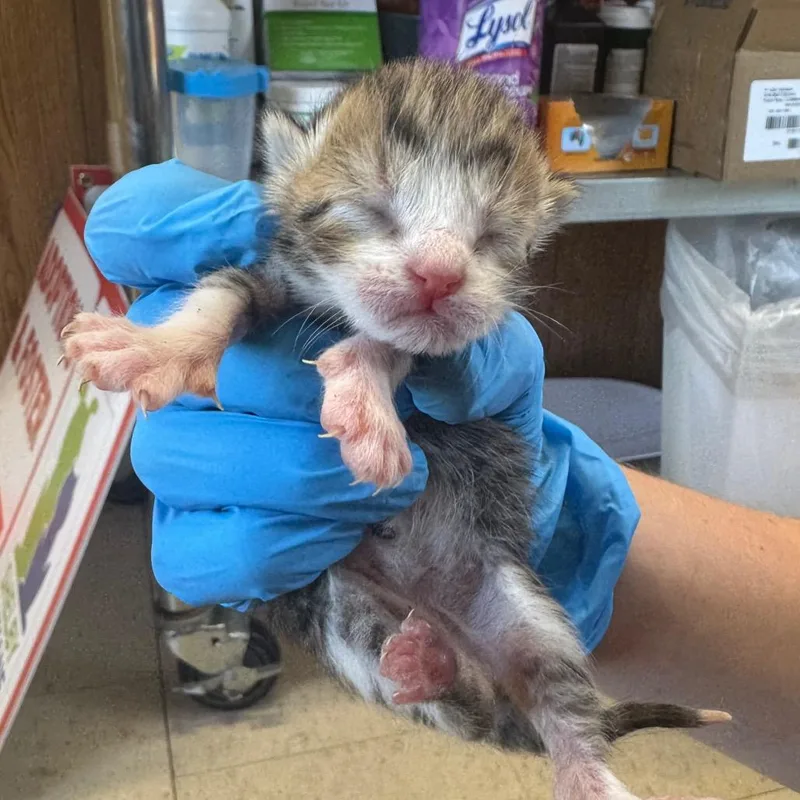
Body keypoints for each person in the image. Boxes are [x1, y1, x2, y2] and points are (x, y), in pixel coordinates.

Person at [84, 161, 800, 793]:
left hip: (462, 526)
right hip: (346, 565)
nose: (439, 262)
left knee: (514, 609)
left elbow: (405, 345)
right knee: (356, 632)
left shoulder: (432, 310)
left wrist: (372, 362)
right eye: (381, 211)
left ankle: (581, 767)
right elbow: (238, 291)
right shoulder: (297, 229)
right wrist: (173, 345)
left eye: (490, 238)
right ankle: (449, 690)